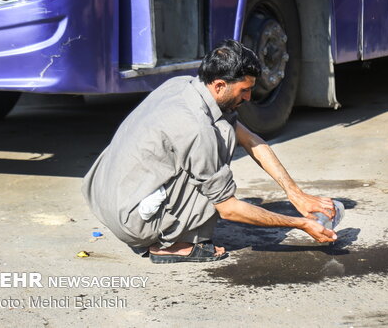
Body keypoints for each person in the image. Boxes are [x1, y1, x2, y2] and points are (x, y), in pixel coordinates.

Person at [82, 39, 337, 263]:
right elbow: (228, 208)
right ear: (219, 85)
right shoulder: (197, 128)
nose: (248, 97)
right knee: (222, 137)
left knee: (228, 126)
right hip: (132, 222)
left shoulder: (182, 84)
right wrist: (300, 223)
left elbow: (252, 141)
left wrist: (296, 195)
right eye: (244, 90)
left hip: (104, 196)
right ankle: (168, 245)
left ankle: (158, 226)